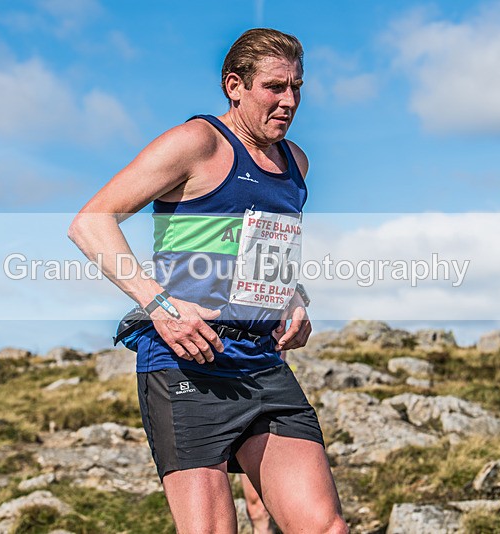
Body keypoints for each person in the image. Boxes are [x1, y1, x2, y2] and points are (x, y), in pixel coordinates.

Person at [68, 28, 347, 533]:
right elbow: (91, 222)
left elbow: (265, 254)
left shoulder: (296, 162)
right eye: (275, 87)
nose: (289, 101)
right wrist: (160, 306)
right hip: (186, 364)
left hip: (263, 363)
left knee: (324, 527)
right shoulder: (196, 142)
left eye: (297, 88)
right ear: (234, 85)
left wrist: (294, 299)